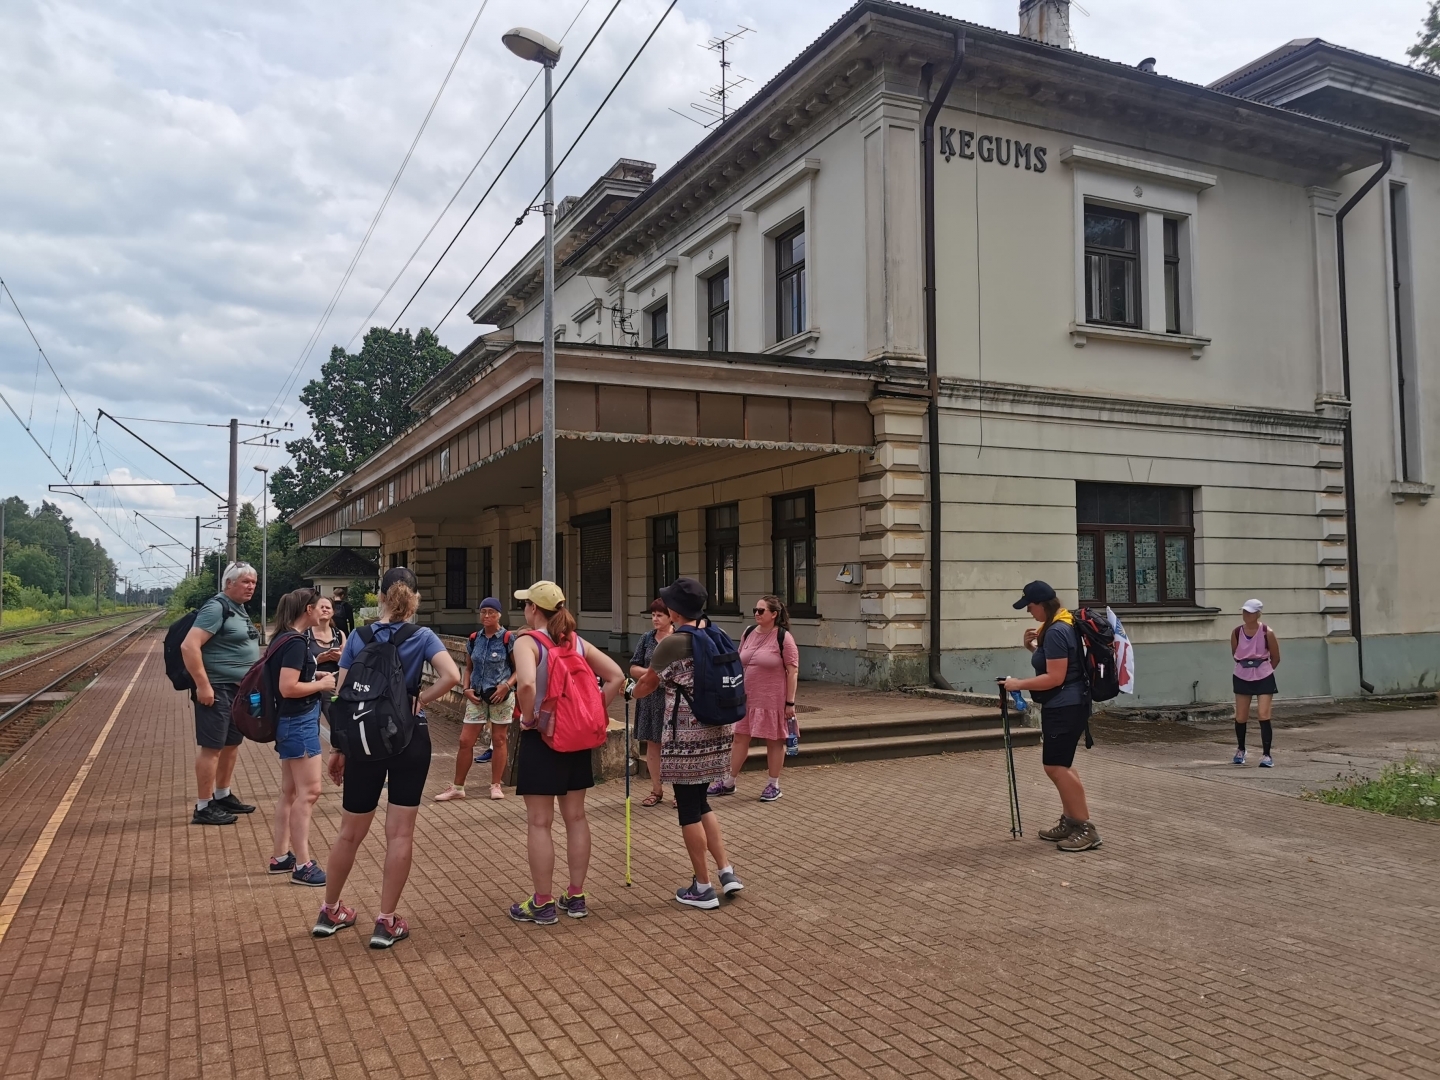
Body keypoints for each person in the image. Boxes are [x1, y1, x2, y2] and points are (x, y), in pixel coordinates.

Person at [313, 567, 461, 948]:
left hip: (363, 738)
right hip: (410, 738)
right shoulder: (422, 635)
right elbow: (452, 676)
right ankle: (386, 920)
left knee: (349, 832)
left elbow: (341, 693)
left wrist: (338, 748)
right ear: (414, 600)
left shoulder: (359, 636)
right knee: (400, 832)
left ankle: (330, 911)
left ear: (380, 596)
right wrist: (419, 701)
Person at [508, 580, 625, 926]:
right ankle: (575, 896)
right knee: (576, 818)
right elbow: (616, 676)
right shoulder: (574, 640)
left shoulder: (527, 642)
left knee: (539, 822)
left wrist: (529, 718)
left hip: (542, 738)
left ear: (533, 609)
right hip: (576, 739)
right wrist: (591, 711)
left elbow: (527, 684)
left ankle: (542, 902)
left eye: (526, 604)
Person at [632, 577, 745, 909]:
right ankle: (726, 872)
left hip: (686, 738)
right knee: (702, 803)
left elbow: (647, 685)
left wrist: (629, 690)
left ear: (674, 610)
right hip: (718, 731)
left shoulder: (673, 643)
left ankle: (703, 887)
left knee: (688, 811)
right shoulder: (716, 633)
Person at [1003, 580, 1102, 852]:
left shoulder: (1057, 630)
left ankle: (1085, 828)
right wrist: (1033, 649)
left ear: (1043, 605)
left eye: (1030, 606)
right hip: (1068, 703)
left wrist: (1017, 684)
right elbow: (1061, 664)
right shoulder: (1059, 624)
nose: (1028, 612)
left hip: (1065, 706)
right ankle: (1071, 822)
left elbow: (1055, 677)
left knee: (1056, 767)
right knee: (1062, 765)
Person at [179, 562, 261, 826]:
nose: (251, 586)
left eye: (253, 582)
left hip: (238, 691)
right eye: (245, 581)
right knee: (212, 747)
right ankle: (203, 807)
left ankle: (222, 794)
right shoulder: (217, 607)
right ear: (229, 584)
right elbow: (189, 646)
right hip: (217, 689)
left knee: (230, 744)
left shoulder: (239, 609)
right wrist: (203, 686)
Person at [267, 588, 336, 886]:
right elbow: (288, 687)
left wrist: (313, 677)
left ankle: (281, 856)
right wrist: (322, 685)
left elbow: (291, 682)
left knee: (290, 792)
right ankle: (303, 865)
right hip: (299, 722)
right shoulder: (296, 642)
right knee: (309, 792)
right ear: (307, 609)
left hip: (287, 721)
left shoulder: (282, 638)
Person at [710, 594, 800, 802]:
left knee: (774, 740)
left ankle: (773, 784)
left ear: (774, 614)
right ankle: (729, 782)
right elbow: (738, 662)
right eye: (755, 610)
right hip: (746, 698)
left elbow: (793, 671)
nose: (756, 614)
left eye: (761, 611)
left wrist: (790, 702)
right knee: (740, 737)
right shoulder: (749, 632)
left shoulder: (783, 637)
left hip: (772, 700)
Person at [436, 597, 515, 802]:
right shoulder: (474, 639)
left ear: (499, 614)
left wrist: (506, 686)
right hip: (477, 696)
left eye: (491, 612)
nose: (487, 616)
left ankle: (496, 785)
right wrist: (466, 688)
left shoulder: (507, 638)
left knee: (498, 739)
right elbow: (469, 668)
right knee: (465, 741)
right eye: (483, 612)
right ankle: (458, 786)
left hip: (501, 696)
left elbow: (519, 670)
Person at [628, 598, 674, 808]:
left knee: (674, 746)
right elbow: (633, 667)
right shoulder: (646, 638)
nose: (655, 619)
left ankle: (679, 793)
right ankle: (656, 790)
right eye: (653, 615)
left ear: (670, 616)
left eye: (659, 615)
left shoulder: (680, 638)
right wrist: (651, 674)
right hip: (650, 698)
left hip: (673, 699)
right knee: (653, 745)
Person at [1232, 598, 1281, 767]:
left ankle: (1267, 755)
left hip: (1263, 675)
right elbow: (1235, 653)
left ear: (1258, 614)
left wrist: (1265, 670)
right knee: (1241, 716)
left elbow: (1276, 657)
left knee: (1263, 714)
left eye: (1250, 612)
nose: (1246, 615)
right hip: (1242, 674)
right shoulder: (1237, 632)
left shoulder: (1268, 632)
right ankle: (1240, 749)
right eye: (1244, 611)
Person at [304, 594, 346, 724]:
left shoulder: (339, 634)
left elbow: (348, 663)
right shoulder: (305, 634)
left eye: (328, 607)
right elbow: (298, 664)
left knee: (337, 725)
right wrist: (318, 660)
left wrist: (340, 658)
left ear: (333, 611)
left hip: (332, 687)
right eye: (321, 607)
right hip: (310, 686)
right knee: (310, 727)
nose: (325, 610)